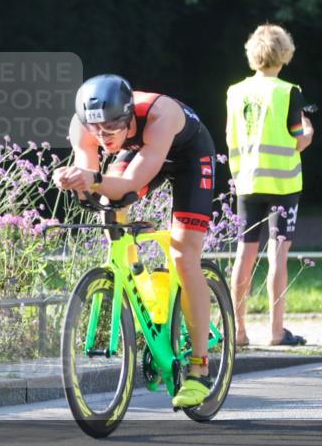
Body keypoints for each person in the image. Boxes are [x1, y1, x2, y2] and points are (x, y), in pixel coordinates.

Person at [52, 74, 217, 408]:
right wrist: (74, 180)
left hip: (189, 158)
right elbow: (94, 183)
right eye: (96, 131)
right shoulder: (82, 125)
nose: (103, 138)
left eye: (112, 129)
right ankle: (137, 280)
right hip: (143, 152)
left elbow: (128, 184)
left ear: (128, 118)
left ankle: (199, 369)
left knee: (184, 257)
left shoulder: (160, 115)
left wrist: (91, 179)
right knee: (108, 207)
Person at [225, 24, 314, 347]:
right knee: (278, 256)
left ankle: (238, 331)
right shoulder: (289, 92)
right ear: (284, 53)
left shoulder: (235, 92)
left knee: (244, 254)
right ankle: (276, 331)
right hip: (283, 183)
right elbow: (298, 139)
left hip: (247, 181)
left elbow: (230, 135)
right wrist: (309, 130)